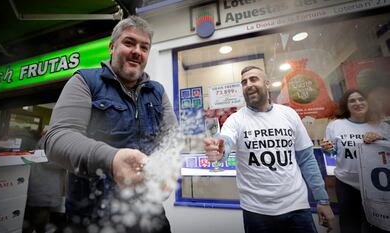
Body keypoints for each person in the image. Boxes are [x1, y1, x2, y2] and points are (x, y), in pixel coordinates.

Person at [44, 16, 177, 233]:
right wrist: (111, 159)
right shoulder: (85, 81)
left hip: (150, 217)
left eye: (144, 47)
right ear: (112, 46)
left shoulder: (157, 92)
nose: (137, 51)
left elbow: (172, 139)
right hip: (93, 220)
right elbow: (57, 138)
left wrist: (168, 169)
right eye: (129, 43)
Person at [204, 65, 334, 233]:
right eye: (244, 82)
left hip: (297, 207)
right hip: (256, 212)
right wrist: (219, 151)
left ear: (267, 83)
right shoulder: (235, 120)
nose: (248, 84)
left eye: (253, 79)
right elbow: (226, 143)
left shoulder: (289, 114)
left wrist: (322, 200)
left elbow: (306, 159)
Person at [321, 89, 390, 233]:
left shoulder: (382, 126)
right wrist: (327, 149)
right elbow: (332, 151)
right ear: (346, 105)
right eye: (352, 100)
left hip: (377, 185)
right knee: (349, 225)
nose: (357, 103)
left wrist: (380, 140)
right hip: (346, 184)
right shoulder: (335, 125)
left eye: (361, 99)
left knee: (378, 225)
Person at [23, 127, 67, 233]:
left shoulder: (41, 144)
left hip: (39, 191)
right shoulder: (51, 145)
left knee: (35, 223)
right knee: (40, 224)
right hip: (44, 193)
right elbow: (52, 162)